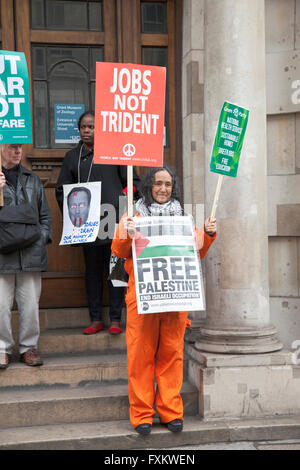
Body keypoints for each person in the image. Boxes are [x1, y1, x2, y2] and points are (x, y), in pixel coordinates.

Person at [111, 166, 217, 434]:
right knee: (140, 358)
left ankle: (171, 412)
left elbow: (197, 252)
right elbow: (119, 250)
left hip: (174, 299)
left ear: (173, 187)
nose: (163, 189)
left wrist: (207, 233)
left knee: (171, 355)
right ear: (149, 186)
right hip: (142, 299)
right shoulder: (133, 214)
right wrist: (125, 230)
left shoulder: (183, 216)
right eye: (158, 183)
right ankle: (142, 415)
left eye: (168, 184)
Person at [56, 111, 140, 335]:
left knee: (116, 271)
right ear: (79, 130)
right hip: (86, 226)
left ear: (100, 129)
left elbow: (132, 183)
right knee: (92, 272)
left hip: (113, 221)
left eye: (91, 127)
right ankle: (95, 319)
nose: (87, 130)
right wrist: (74, 217)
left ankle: (115, 319)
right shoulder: (72, 157)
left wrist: (124, 205)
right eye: (83, 127)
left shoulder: (116, 152)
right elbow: (61, 190)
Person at [0, 144, 52, 369]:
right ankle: (2, 348)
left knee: (30, 304)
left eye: (20, 147)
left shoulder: (32, 179)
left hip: (30, 254)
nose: (18, 151)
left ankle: (28, 347)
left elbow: (45, 217)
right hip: (2, 255)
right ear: (1, 149)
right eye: (12, 147)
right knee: (0, 305)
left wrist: (40, 238)